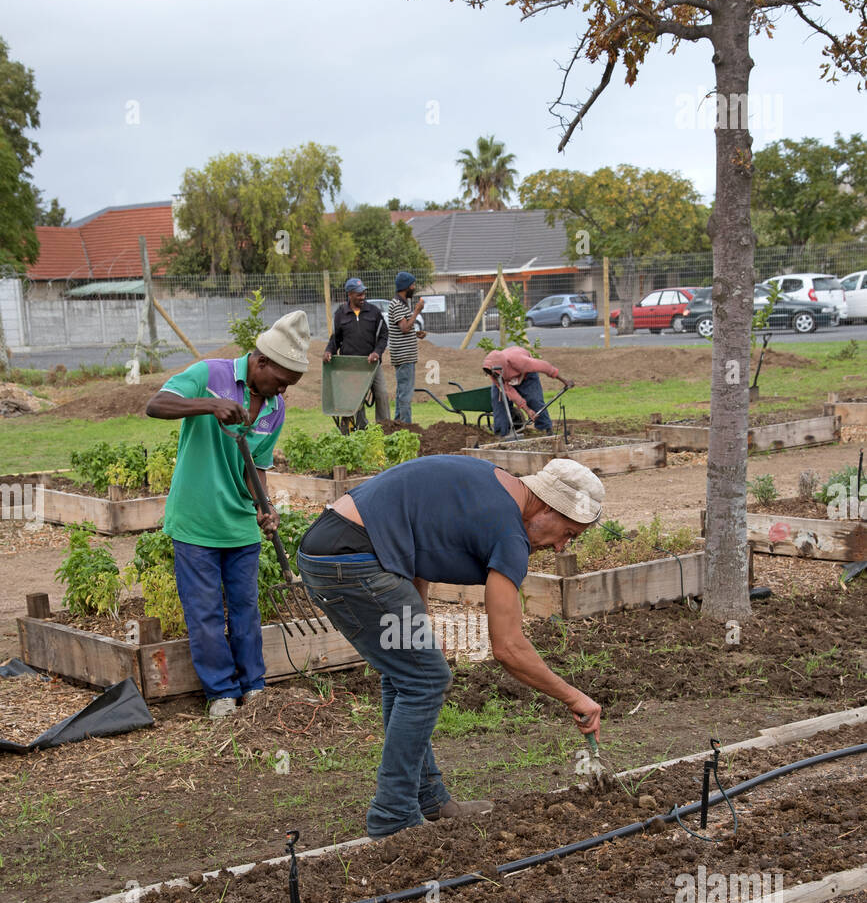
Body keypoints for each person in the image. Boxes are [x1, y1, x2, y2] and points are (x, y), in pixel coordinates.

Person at [296, 455, 605, 838]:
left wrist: (419, 620)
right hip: (353, 559)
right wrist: (574, 697)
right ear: (546, 506)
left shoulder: (494, 485)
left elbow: (419, 537)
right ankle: (393, 818)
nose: (562, 547)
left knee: (408, 673)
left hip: (334, 546)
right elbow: (508, 647)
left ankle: (429, 798)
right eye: (568, 533)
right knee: (424, 678)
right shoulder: (509, 534)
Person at [144, 312, 310, 718]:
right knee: (203, 613)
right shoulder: (209, 374)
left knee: (244, 611)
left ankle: (253, 687)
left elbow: (258, 467)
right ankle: (220, 693)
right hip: (196, 520)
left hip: (239, 524)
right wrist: (209, 405)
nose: (283, 389)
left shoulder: (274, 408)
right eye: (281, 380)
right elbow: (155, 404)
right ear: (261, 362)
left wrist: (264, 507)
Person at [323, 277, 389, 429]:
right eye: (359, 294)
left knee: (382, 394)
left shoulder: (374, 312)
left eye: (363, 293)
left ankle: (385, 427)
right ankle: (360, 430)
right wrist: (328, 351)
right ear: (350, 295)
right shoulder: (341, 314)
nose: (362, 297)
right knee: (356, 401)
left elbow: (384, 335)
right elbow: (336, 339)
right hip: (352, 366)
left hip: (371, 364)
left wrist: (377, 352)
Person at [482, 346, 574, 436]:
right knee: (499, 402)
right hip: (505, 380)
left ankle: (546, 429)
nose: (492, 375)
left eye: (493, 373)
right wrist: (527, 410)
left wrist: (564, 381)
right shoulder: (493, 374)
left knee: (534, 399)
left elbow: (545, 367)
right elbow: (510, 392)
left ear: (501, 366)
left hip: (526, 376)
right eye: (490, 373)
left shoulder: (519, 361)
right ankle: (501, 433)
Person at [388, 271, 426, 424]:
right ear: (406, 287)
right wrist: (417, 311)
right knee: (405, 394)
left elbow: (404, 329)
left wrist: (415, 333)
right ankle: (406, 427)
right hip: (404, 357)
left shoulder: (402, 304)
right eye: (413, 285)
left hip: (405, 355)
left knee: (401, 393)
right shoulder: (397, 304)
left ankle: (398, 424)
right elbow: (404, 327)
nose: (414, 288)